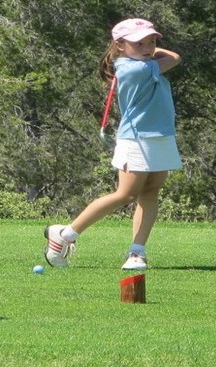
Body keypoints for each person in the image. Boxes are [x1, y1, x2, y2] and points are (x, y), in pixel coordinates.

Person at [44, 18, 181, 271]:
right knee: (125, 194)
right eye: (138, 43)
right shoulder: (132, 68)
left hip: (161, 136)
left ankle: (137, 253)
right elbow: (174, 57)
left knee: (150, 193)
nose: (148, 48)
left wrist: (144, 48)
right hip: (137, 138)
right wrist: (151, 53)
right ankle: (65, 235)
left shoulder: (142, 61)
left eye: (151, 42)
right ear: (120, 45)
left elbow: (168, 55)